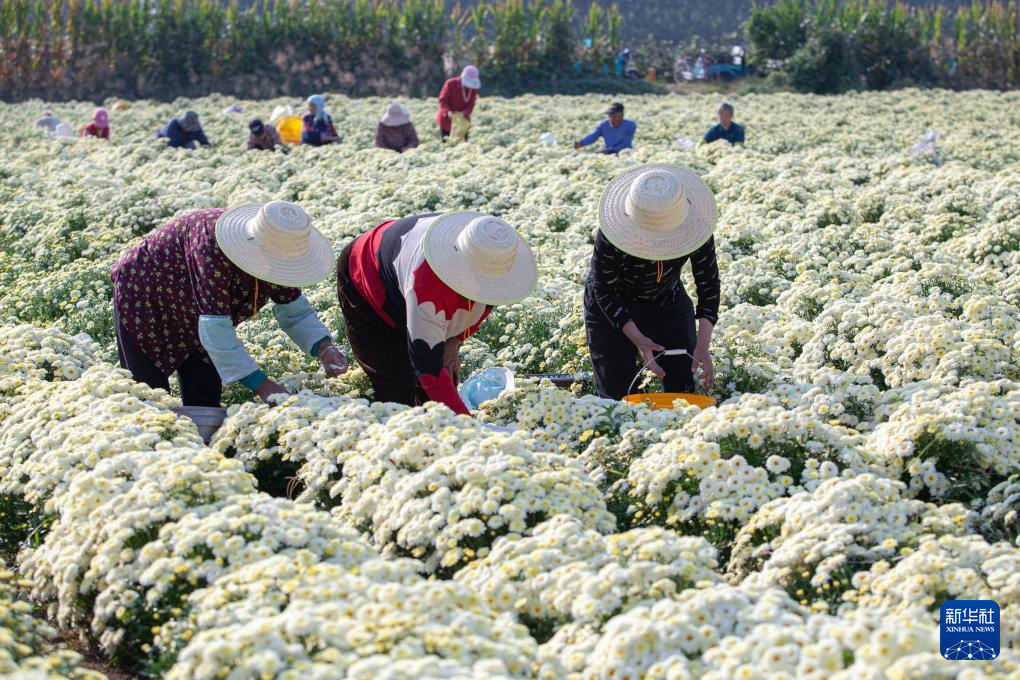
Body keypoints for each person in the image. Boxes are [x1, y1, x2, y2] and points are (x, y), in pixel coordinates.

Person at [110, 201, 348, 407]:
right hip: (146, 296)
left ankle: (204, 451)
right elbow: (214, 327)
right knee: (150, 395)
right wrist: (261, 385)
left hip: (198, 308)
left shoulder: (279, 250)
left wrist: (324, 347)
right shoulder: (213, 248)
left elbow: (293, 309)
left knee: (204, 391)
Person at [337, 211, 536, 415]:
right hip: (365, 274)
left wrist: (454, 342)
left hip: (403, 266)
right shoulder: (426, 286)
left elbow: (487, 302)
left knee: (440, 383)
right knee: (397, 391)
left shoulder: (492, 249)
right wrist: (467, 425)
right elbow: (427, 364)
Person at [584, 163, 720, 401]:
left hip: (666, 299)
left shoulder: (697, 227)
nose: (661, 244)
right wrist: (639, 340)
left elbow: (708, 285)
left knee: (682, 392)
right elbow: (603, 290)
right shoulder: (612, 236)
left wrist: (702, 345)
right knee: (616, 400)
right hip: (613, 305)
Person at [436, 65, 480, 141]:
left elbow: (471, 104)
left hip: (463, 121)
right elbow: (442, 100)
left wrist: (464, 113)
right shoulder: (450, 84)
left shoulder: (473, 89)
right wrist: (448, 112)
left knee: (462, 145)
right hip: (446, 120)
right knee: (446, 144)